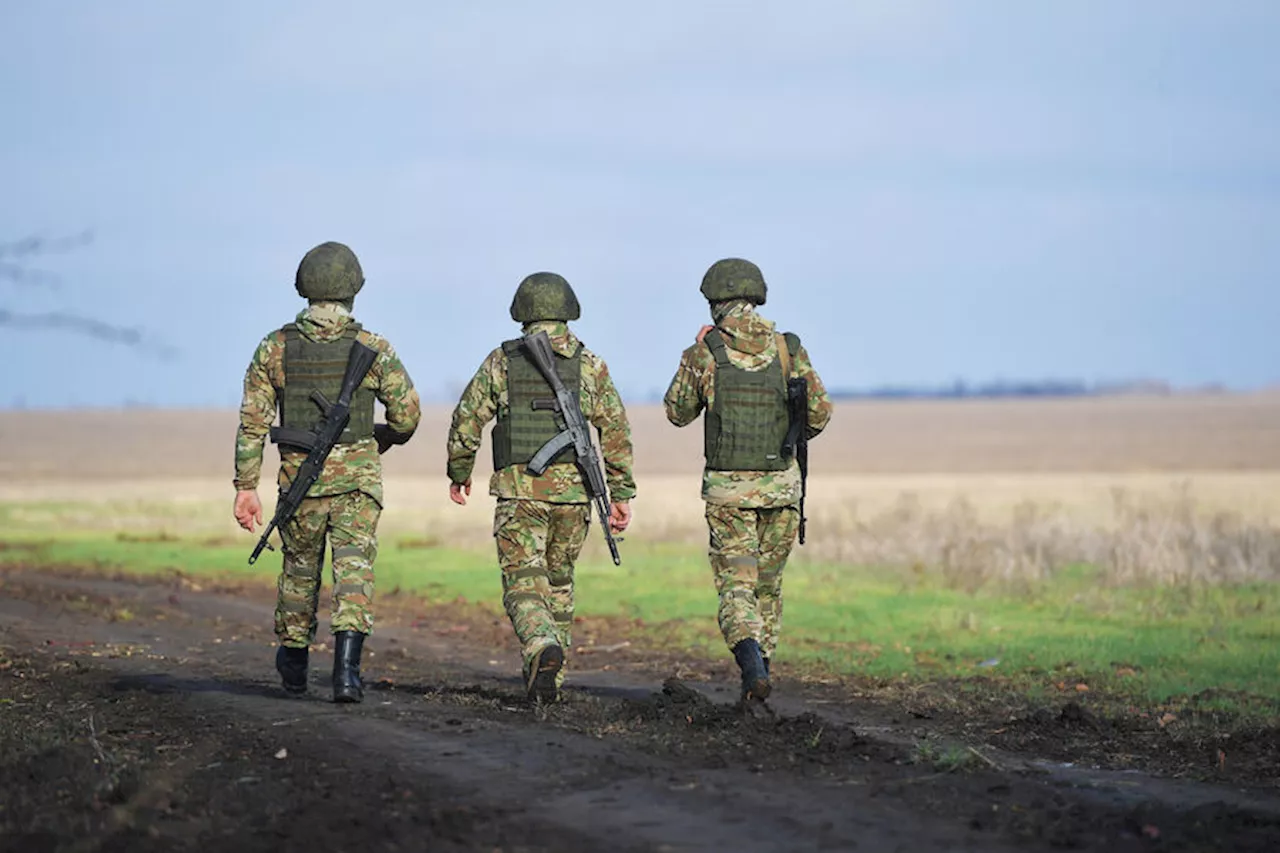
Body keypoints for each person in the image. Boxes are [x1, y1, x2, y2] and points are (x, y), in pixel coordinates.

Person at [233, 241, 421, 703]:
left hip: (301, 484)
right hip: (357, 483)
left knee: (299, 571)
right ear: (354, 290)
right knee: (354, 572)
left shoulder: (275, 348)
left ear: (304, 289)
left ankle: (294, 664)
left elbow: (253, 423)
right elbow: (408, 416)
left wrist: (245, 486)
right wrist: (380, 439)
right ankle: (346, 674)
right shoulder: (373, 347)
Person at [447, 272, 635, 704]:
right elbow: (617, 431)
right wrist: (621, 493)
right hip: (573, 497)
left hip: (520, 493)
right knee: (560, 583)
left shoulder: (502, 361)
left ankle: (539, 646)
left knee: (524, 582)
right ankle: (552, 679)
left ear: (522, 313)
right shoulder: (590, 364)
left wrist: (459, 471)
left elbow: (466, 420)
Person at [663, 258, 832, 703]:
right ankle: (759, 675)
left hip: (728, 494)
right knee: (768, 587)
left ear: (715, 302)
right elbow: (819, 414)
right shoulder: (787, 349)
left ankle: (751, 663)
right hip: (781, 488)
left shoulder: (705, 352)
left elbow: (676, 413)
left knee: (737, 584)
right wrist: (787, 434)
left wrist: (694, 352)